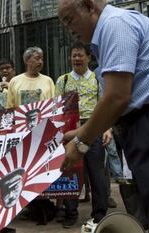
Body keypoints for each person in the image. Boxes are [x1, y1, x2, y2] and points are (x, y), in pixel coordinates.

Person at [58, 1, 149, 233]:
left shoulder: (115, 24)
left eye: (69, 19)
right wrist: (81, 133)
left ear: (89, 6)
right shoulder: (111, 30)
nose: (68, 28)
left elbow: (117, 96)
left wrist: (82, 142)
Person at [55, 41, 110, 229]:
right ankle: (71, 213)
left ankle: (100, 215)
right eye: (74, 55)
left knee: (97, 174)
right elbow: (57, 110)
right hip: (71, 132)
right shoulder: (62, 80)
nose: (76, 58)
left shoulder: (97, 79)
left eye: (80, 55)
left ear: (88, 57)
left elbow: (105, 105)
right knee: (72, 173)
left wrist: (107, 129)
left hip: (93, 128)